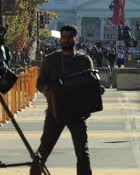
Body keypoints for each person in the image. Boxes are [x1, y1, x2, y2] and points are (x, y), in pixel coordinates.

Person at [36, 25, 93, 175]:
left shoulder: (84, 60)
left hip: (77, 113)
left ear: (75, 39)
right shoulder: (50, 60)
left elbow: (91, 84)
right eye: (63, 37)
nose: (65, 40)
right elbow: (40, 83)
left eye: (69, 37)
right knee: (43, 150)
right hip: (55, 112)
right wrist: (48, 91)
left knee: (82, 153)